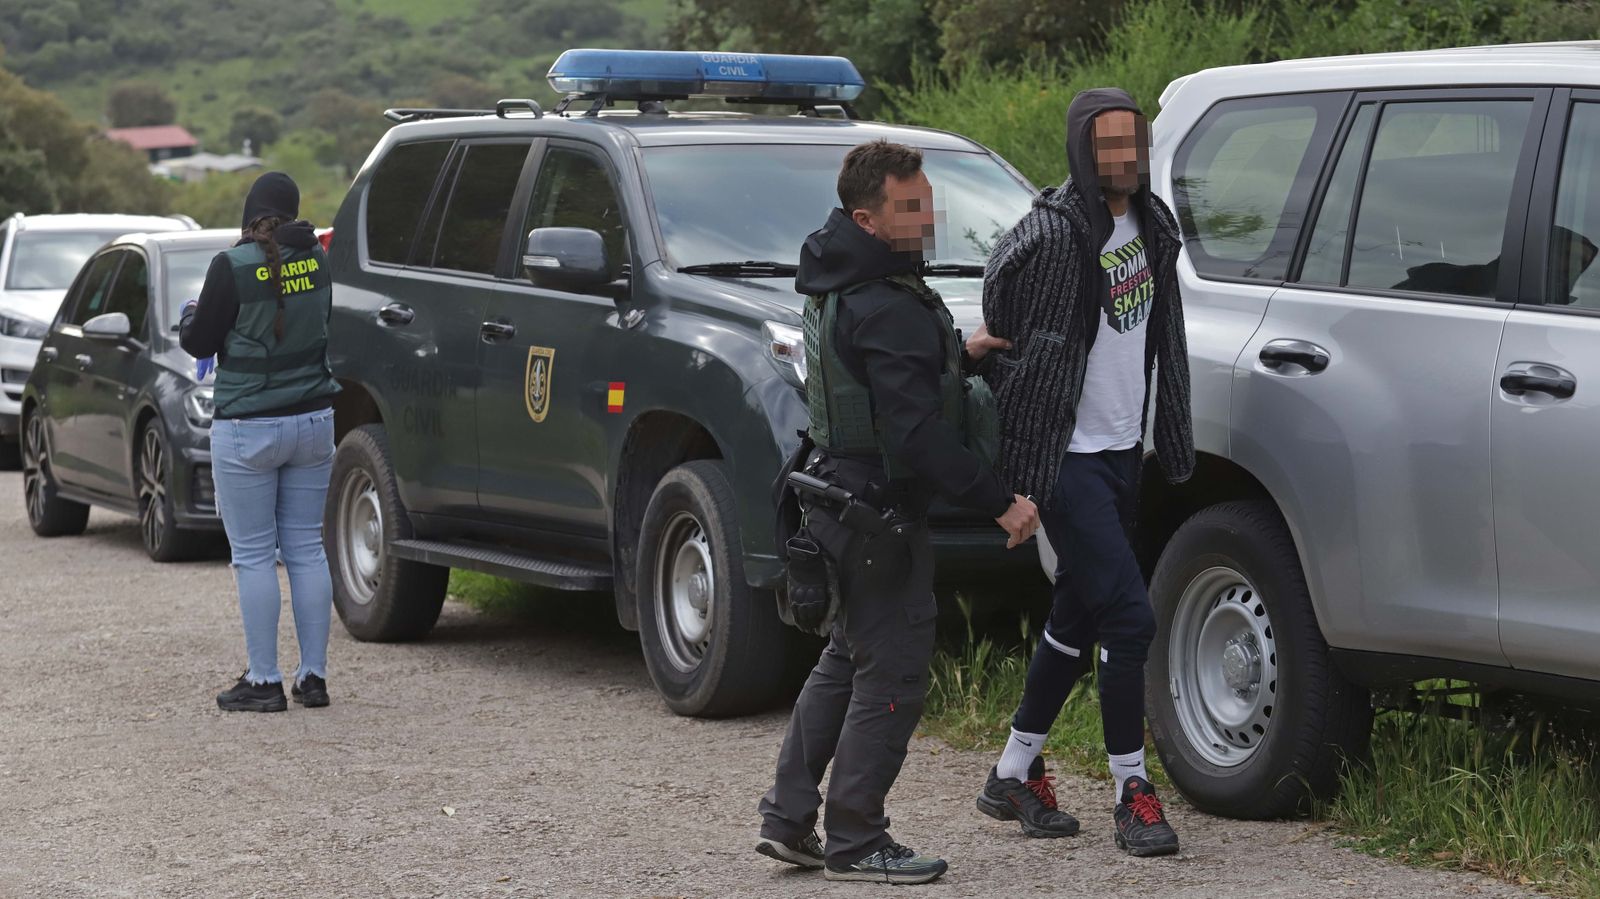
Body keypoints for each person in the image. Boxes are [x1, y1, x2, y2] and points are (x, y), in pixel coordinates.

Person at [756, 140, 1041, 885]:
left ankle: (788, 821)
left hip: (835, 500)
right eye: (909, 207)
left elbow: (883, 391)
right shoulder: (884, 303)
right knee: (893, 675)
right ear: (868, 217)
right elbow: (914, 433)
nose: (928, 216)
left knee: (846, 660)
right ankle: (856, 839)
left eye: (927, 200)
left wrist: (964, 354)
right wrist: (1000, 501)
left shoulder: (846, 278)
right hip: (877, 517)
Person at [966, 89, 1195, 856]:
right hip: (1067, 456)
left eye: (1133, 145)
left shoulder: (1152, 224)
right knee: (1131, 618)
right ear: (1081, 151)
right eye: (1107, 147)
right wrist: (1021, 454)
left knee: (1079, 613)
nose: (1122, 160)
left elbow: (1157, 333)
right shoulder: (1051, 232)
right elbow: (1000, 307)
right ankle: (1132, 788)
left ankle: (1011, 772)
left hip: (1124, 447)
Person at [180, 171, 341, 713]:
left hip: (249, 427)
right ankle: (313, 678)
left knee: (253, 557)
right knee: (306, 550)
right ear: (294, 213)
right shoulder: (317, 260)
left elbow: (200, 339)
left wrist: (189, 318)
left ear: (250, 216)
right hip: (315, 421)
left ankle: (265, 680)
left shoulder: (230, 266)